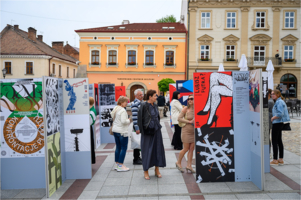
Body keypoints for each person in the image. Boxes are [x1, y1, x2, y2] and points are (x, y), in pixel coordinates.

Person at [138, 90, 166, 180]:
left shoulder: (156, 105)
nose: (156, 97)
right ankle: (145, 171)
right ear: (149, 97)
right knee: (146, 151)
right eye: (155, 96)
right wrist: (142, 131)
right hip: (147, 131)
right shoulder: (143, 105)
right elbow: (140, 119)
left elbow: (157, 117)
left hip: (157, 130)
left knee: (157, 149)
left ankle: (157, 169)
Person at [111, 96, 132, 171]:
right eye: (126, 102)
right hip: (122, 131)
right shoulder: (122, 110)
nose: (127, 103)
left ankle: (117, 164)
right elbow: (123, 121)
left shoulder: (115, 108)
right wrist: (129, 120)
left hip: (115, 130)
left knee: (118, 147)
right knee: (123, 148)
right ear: (121, 102)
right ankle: (120, 165)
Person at [175, 94, 195, 173]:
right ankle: (178, 162)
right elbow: (179, 118)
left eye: (192, 99)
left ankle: (189, 166)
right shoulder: (186, 108)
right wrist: (189, 121)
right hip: (186, 131)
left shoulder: (198, 108)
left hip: (194, 132)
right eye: (188, 99)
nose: (190, 100)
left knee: (191, 149)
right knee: (186, 148)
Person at [270, 89, 290, 165]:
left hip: (277, 123)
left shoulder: (279, 102)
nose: (272, 95)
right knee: (279, 141)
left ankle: (275, 159)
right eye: (271, 94)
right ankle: (280, 159)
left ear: (278, 94)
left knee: (274, 141)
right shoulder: (279, 101)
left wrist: (273, 118)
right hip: (279, 123)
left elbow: (280, 114)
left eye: (273, 94)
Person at [130, 89, 143, 165]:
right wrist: (137, 128)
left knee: (139, 141)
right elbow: (134, 117)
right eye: (140, 95)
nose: (142, 96)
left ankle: (138, 157)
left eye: (142, 94)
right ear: (135, 96)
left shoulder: (140, 102)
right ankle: (136, 159)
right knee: (136, 141)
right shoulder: (135, 104)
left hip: (140, 125)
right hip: (137, 126)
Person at [89, 97, 97, 164]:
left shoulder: (91, 111)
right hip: (89, 128)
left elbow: (90, 122)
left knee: (90, 144)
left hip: (89, 128)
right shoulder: (91, 110)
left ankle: (91, 160)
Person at [268, 89, 274, 158]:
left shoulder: (270, 102)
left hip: (268, 122)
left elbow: (271, 113)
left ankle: (268, 152)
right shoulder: (268, 101)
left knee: (267, 138)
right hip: (268, 121)